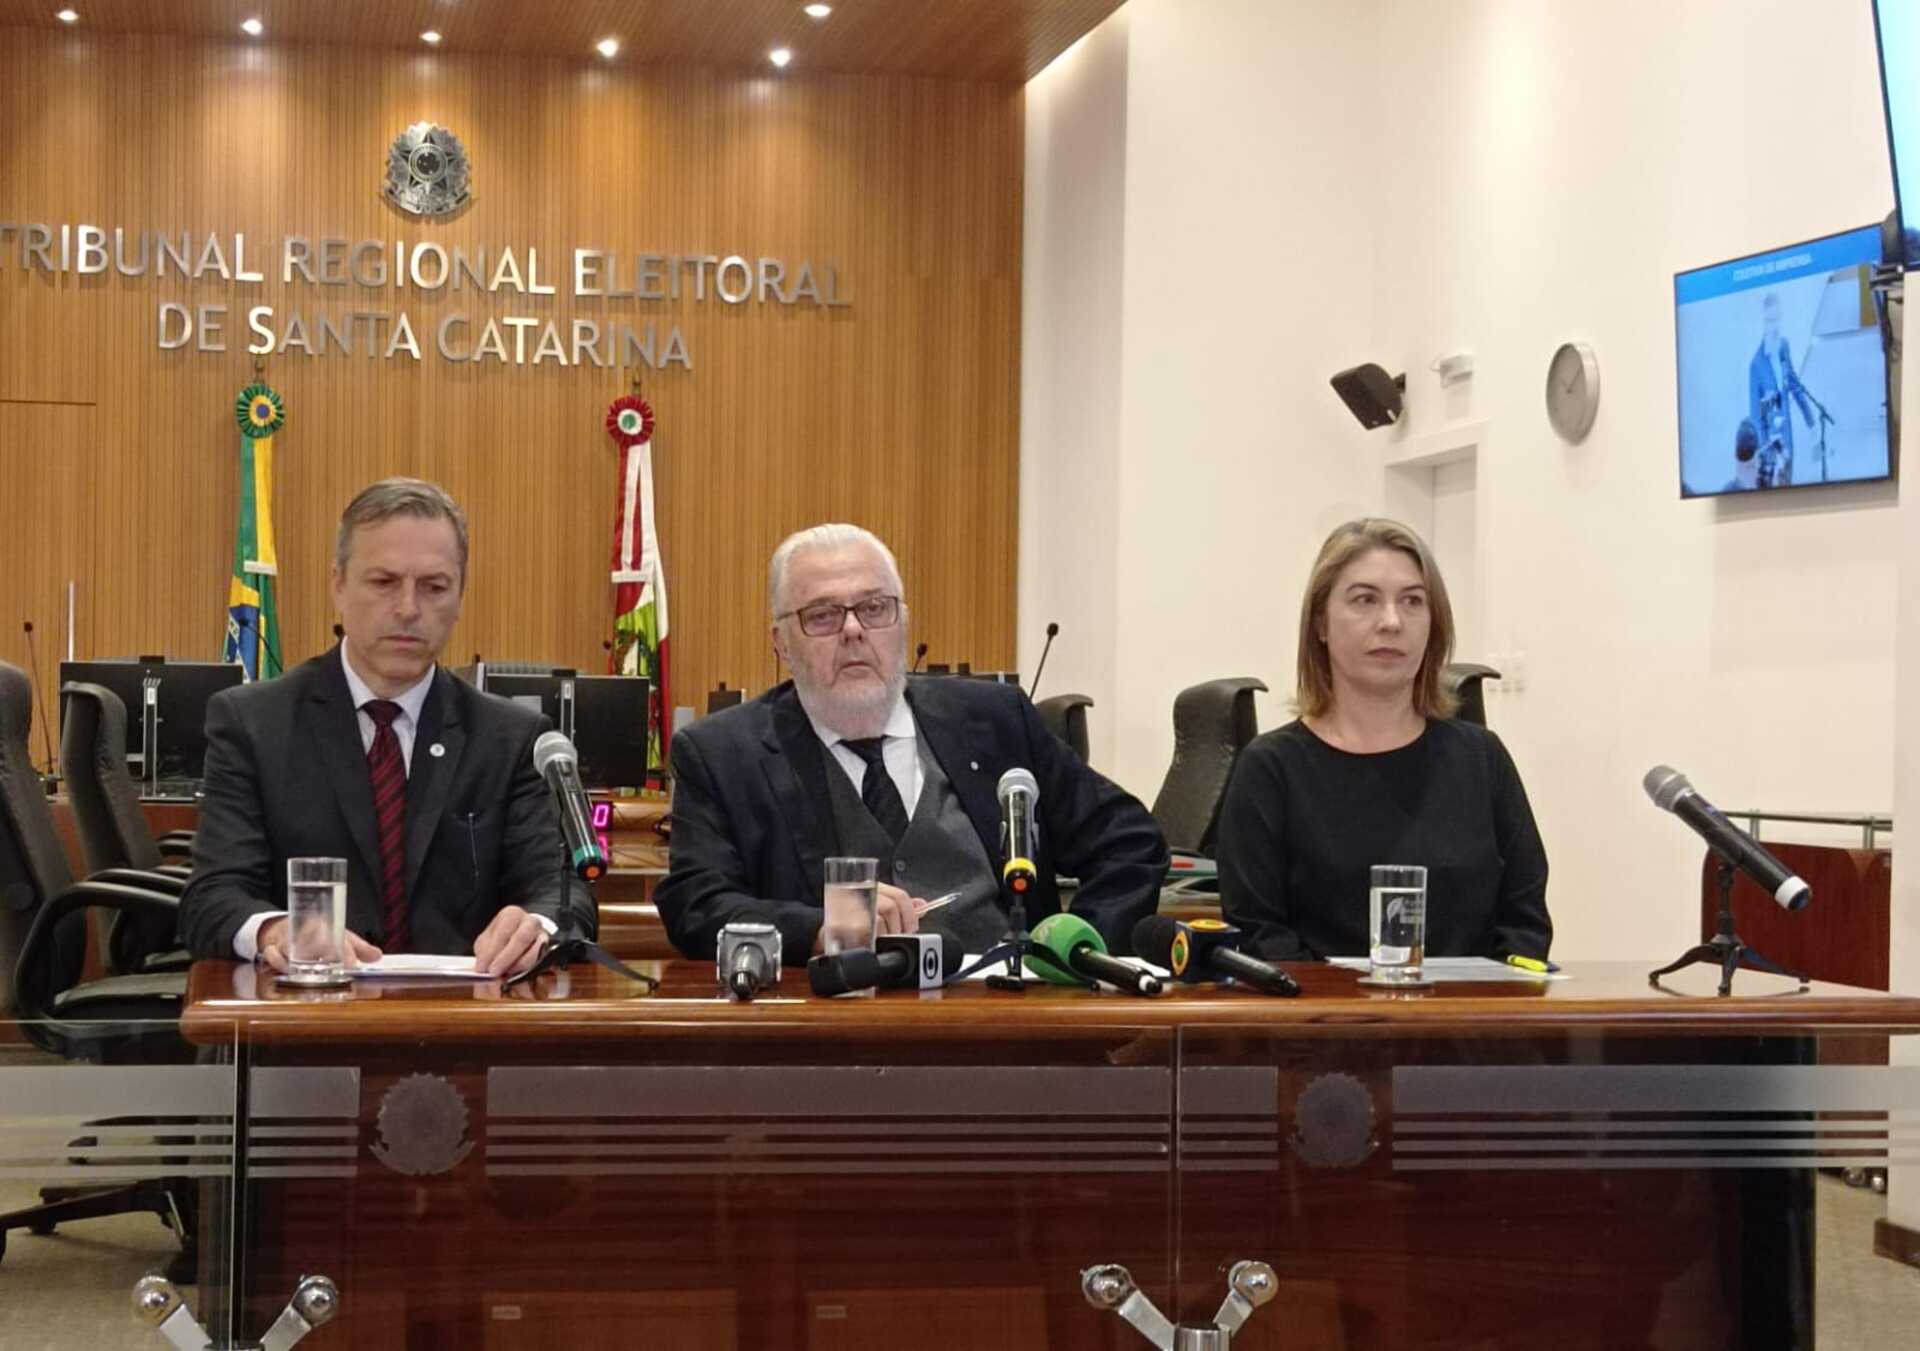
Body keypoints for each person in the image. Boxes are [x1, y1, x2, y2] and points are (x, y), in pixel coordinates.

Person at [656, 523, 1167, 962]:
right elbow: (696, 904)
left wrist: (1075, 953)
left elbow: (1129, 842)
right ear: (781, 644)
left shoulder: (995, 720)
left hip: (1006, 1018)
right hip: (835, 1020)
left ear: (902, 622)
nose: (853, 630)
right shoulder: (723, 754)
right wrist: (817, 928)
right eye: (822, 615)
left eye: (875, 608)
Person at [179, 478, 594, 976]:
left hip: (461, 1012)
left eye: (434, 587)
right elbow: (212, 897)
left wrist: (537, 925)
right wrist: (275, 930)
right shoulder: (253, 723)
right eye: (383, 582)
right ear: (338, 584)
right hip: (308, 1010)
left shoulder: (511, 738)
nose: (408, 609)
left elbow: (561, 892)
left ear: (460, 597)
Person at [1214, 518, 1549, 962]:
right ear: (1320, 623)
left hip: (1471, 1005)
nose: (1391, 622)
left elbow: (1525, 926)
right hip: (1318, 1006)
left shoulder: (1482, 759)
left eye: (1412, 601)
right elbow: (1260, 937)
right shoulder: (1270, 769)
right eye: (1365, 600)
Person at [1747, 291, 1815, 487]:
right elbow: (1756, 417)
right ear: (1763, 323)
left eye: (1776, 319)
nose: (1774, 326)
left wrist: (1811, 421)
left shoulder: (1784, 346)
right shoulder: (1755, 365)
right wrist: (1767, 455)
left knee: (1789, 485)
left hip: (1788, 440)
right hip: (1770, 449)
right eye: (1769, 321)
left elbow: (1795, 385)